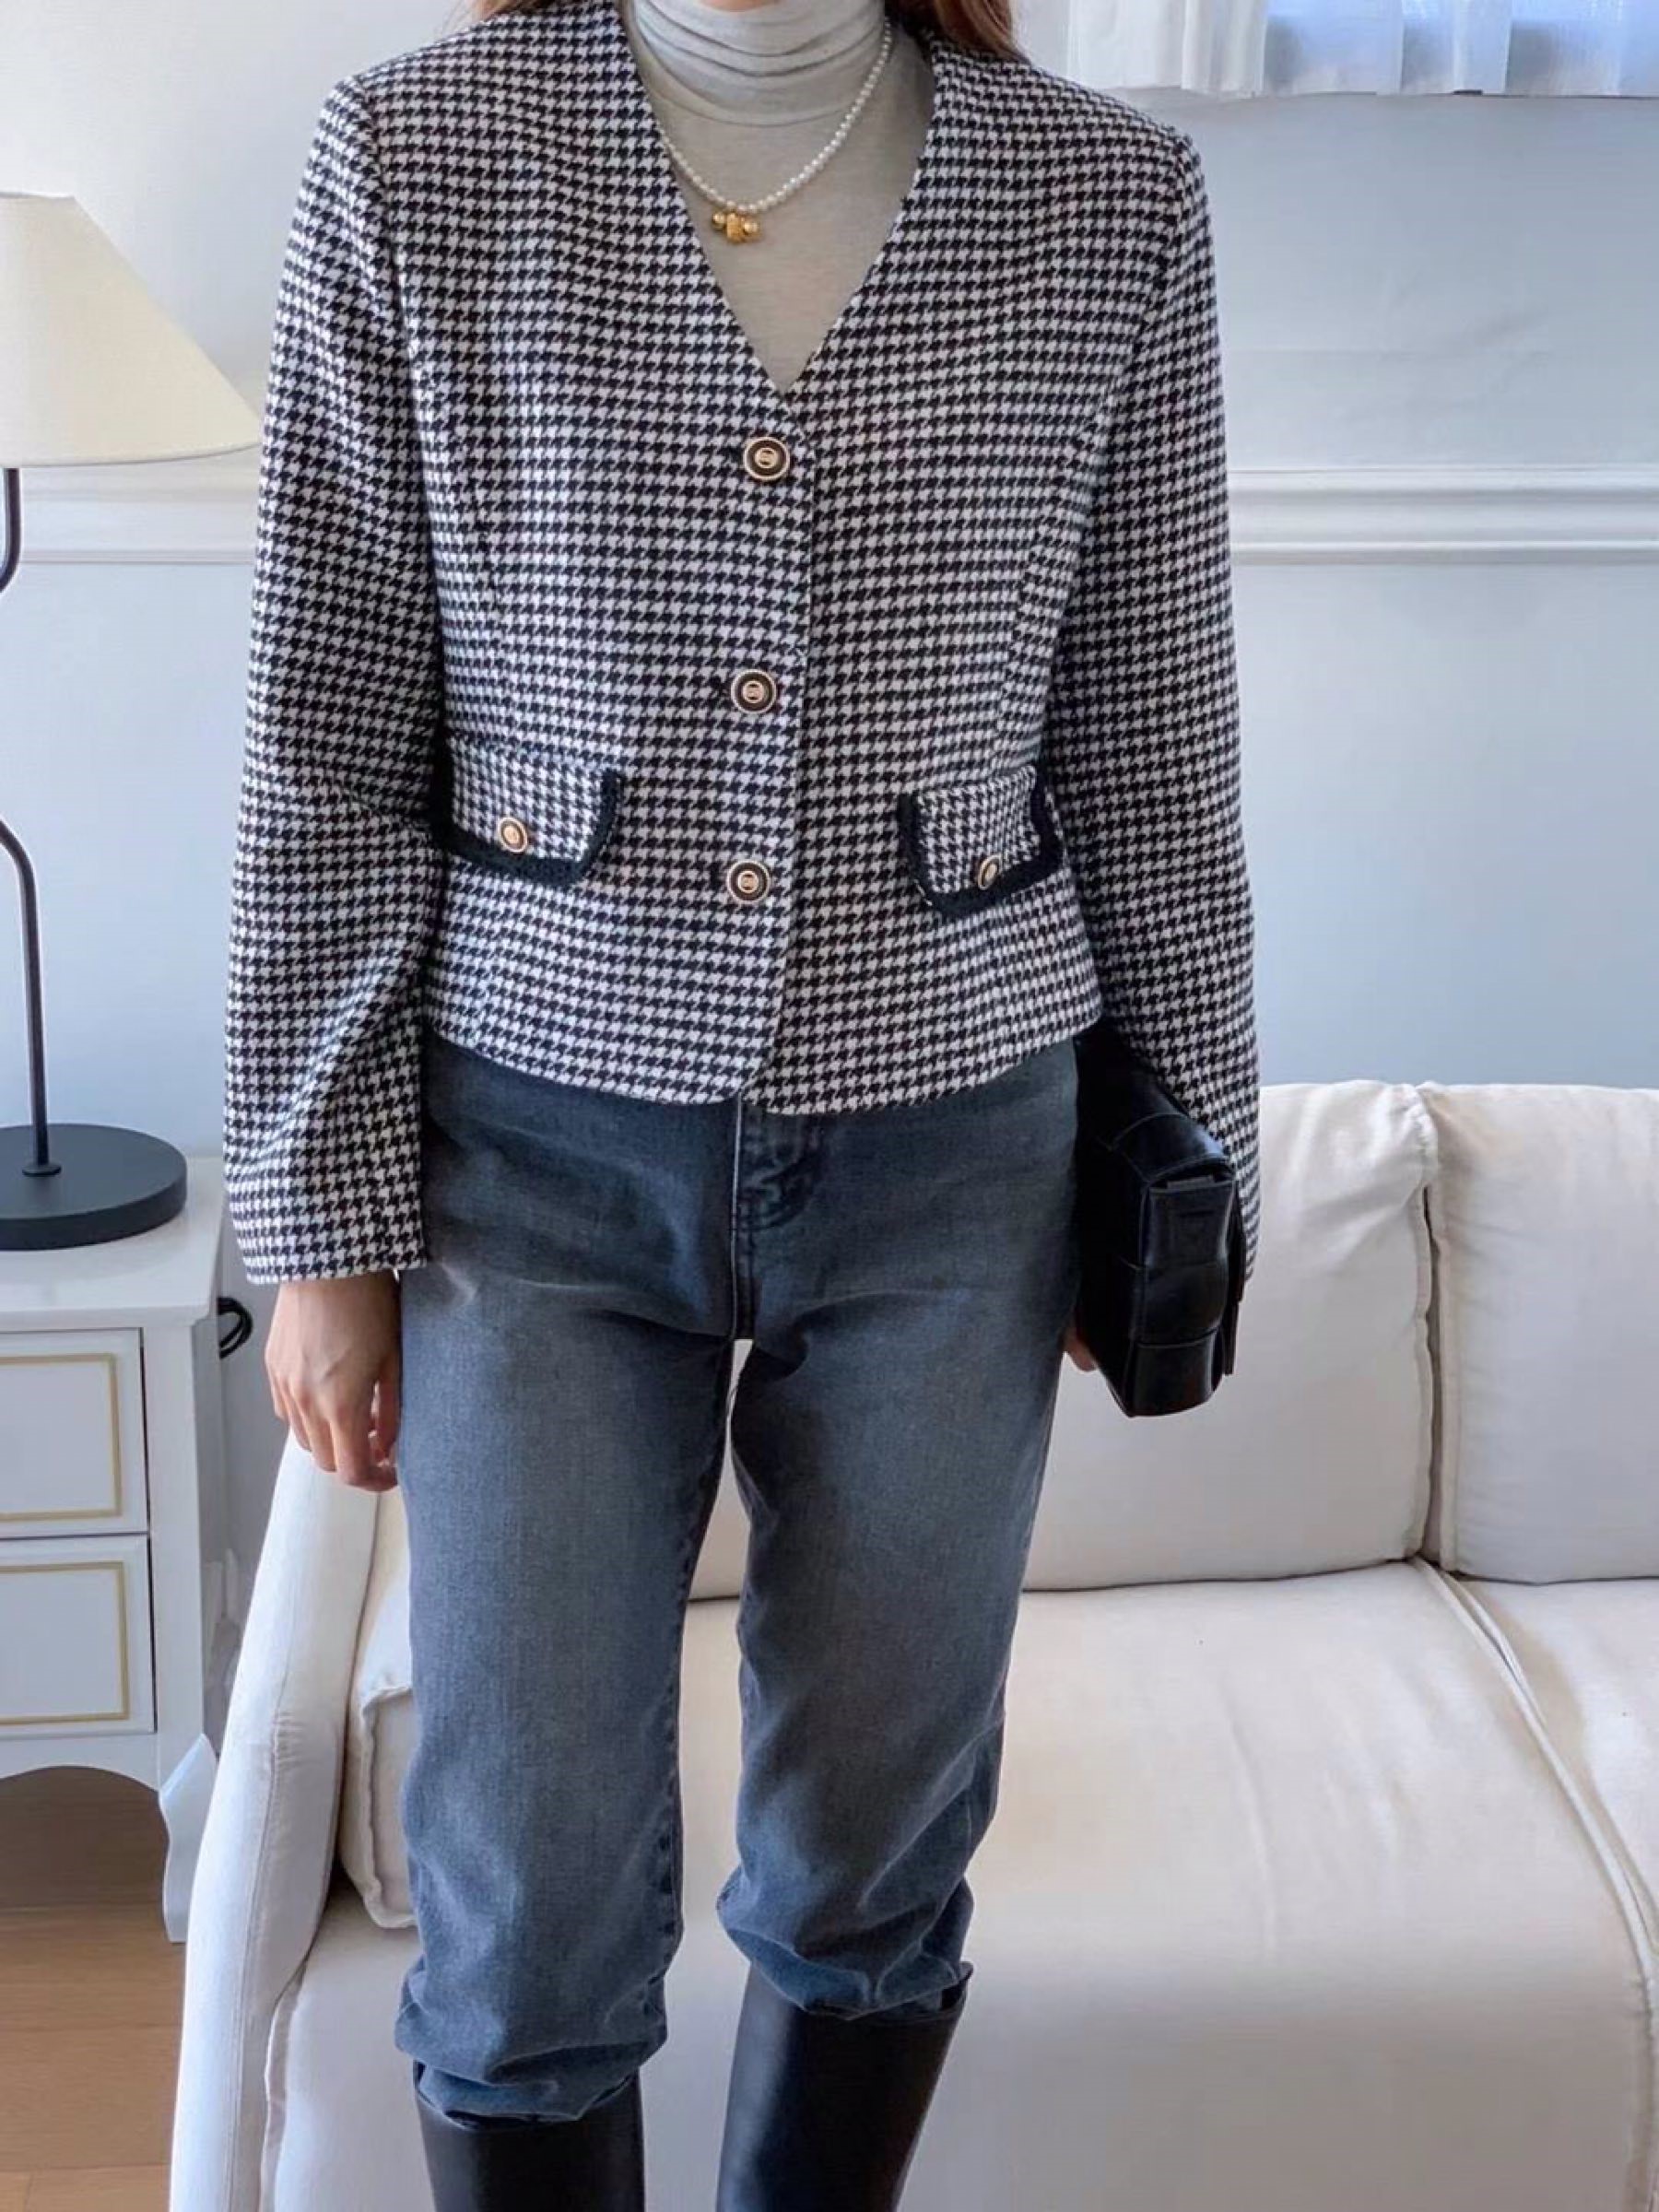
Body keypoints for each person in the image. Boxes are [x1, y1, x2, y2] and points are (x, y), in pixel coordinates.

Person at [222, 0, 1261, 2201]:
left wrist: (1191, 1163)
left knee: (879, 1851)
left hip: (959, 1152)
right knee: (519, 1893)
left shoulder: (1109, 193)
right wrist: (317, 1222)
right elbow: (329, 724)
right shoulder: (415, 153)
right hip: (530, 1159)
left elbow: (1153, 733)